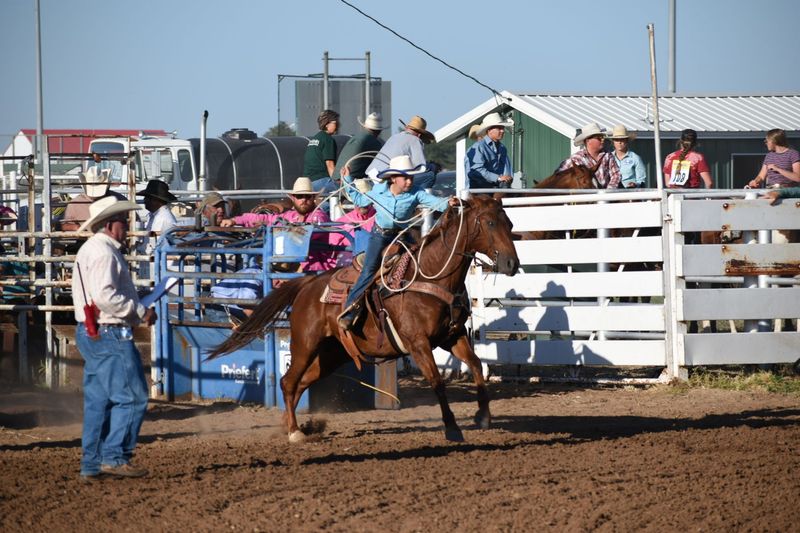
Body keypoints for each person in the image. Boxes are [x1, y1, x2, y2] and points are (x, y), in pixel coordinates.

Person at [72, 195, 157, 481]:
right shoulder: (105, 253)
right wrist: (140, 311)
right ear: (110, 224)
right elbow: (106, 296)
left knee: (99, 400)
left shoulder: (91, 250)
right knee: (132, 398)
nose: (126, 225)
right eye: (123, 220)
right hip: (109, 331)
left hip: (91, 329)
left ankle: (92, 463)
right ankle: (115, 456)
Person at [337, 155, 459, 330]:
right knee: (369, 270)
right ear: (393, 178)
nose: (409, 181)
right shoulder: (378, 191)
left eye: (411, 177)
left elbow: (434, 203)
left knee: (420, 262)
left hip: (402, 234)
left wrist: (448, 202)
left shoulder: (416, 192)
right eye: (405, 177)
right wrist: (347, 179)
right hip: (380, 235)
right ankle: (350, 310)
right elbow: (359, 200)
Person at [220, 177, 336, 272]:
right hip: (294, 269)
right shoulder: (290, 216)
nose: (303, 200)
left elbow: (304, 235)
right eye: (300, 196)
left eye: (308, 196)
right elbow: (265, 218)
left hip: (315, 271)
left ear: (313, 198)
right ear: (293, 198)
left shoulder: (319, 216)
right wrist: (235, 220)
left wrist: (279, 229)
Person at [365, 115, 436, 189]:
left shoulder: (394, 137)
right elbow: (420, 167)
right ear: (419, 135)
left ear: (407, 128)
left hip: (371, 177)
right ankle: (417, 198)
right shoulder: (415, 140)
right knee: (429, 175)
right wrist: (433, 167)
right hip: (384, 180)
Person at [555, 122, 621, 189]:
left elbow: (616, 174)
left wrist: (608, 191)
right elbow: (558, 176)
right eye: (599, 138)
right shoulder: (576, 159)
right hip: (585, 197)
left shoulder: (607, 155)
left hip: (606, 196)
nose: (602, 140)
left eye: (602, 137)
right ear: (588, 141)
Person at [329, 178, 377, 265]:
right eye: (359, 199)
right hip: (346, 267)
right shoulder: (341, 222)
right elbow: (331, 253)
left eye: (364, 199)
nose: (362, 204)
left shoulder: (381, 219)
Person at [332, 112, 387, 180]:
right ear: (379, 131)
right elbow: (382, 163)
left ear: (365, 127)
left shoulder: (355, 137)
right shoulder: (373, 142)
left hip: (335, 178)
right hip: (349, 181)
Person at [467, 112, 514, 189]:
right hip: (480, 189)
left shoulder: (502, 148)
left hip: (496, 187)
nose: (502, 131)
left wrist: (506, 178)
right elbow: (476, 170)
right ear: (489, 130)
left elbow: (503, 170)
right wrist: (498, 178)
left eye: (502, 128)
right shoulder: (479, 147)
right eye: (499, 128)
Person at [61, 167, 113, 231]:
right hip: (85, 239)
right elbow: (65, 225)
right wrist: (77, 228)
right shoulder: (75, 203)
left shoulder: (118, 199)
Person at [304, 109, 340, 195]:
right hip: (322, 181)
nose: (338, 125)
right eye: (335, 123)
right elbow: (330, 165)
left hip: (308, 183)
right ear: (327, 124)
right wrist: (338, 181)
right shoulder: (328, 139)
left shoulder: (315, 138)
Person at [137, 179, 177, 255]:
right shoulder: (154, 216)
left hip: (161, 263)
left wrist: (139, 248)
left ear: (155, 200)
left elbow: (154, 245)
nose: (144, 200)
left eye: (147, 197)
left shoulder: (163, 218)